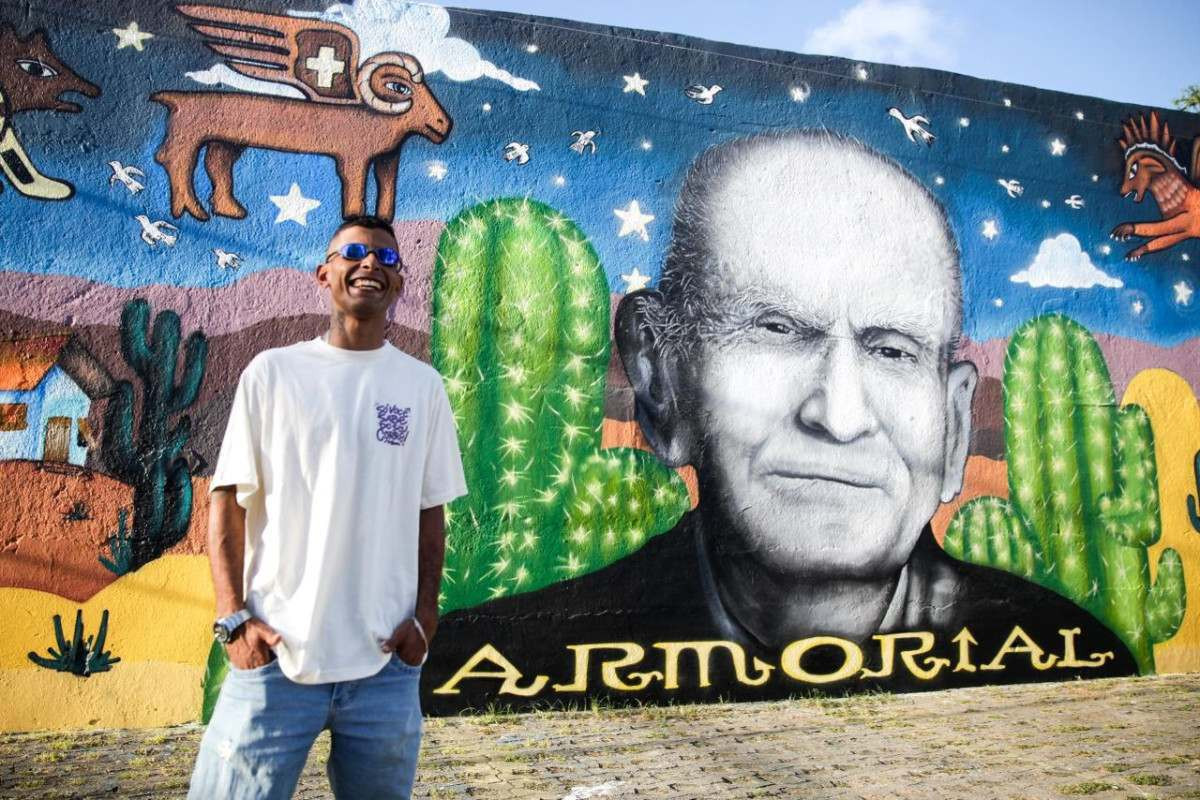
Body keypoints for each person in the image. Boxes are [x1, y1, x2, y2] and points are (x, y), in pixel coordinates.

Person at [424, 131, 1134, 712]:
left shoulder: (1074, 655)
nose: (840, 416)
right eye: (777, 330)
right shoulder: (496, 660)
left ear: (952, 422)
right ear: (662, 376)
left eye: (892, 350)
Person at [190, 214, 467, 799]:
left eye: (386, 258)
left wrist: (425, 616)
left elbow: (430, 510)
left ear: (399, 282)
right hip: (276, 657)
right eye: (354, 253)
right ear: (324, 274)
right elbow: (227, 499)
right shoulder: (273, 373)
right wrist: (232, 618)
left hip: (385, 666)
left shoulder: (422, 387)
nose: (370, 264)